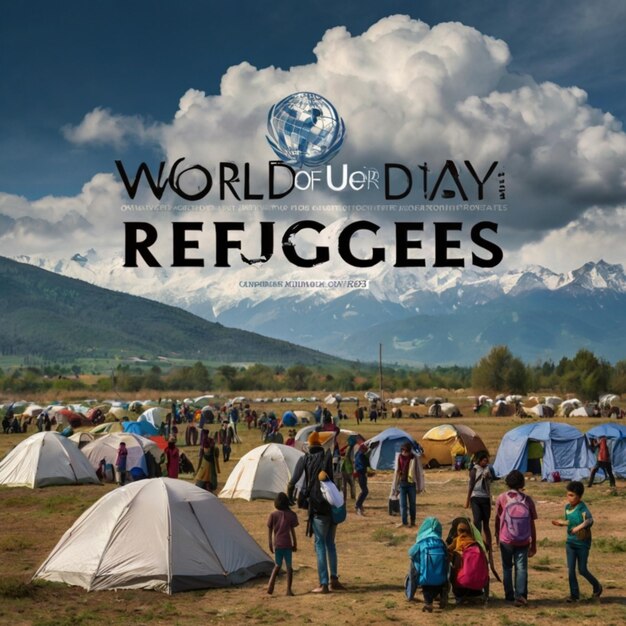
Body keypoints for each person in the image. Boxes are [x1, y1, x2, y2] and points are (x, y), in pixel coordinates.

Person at [288, 431, 345, 594]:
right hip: (332, 506)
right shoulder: (327, 457)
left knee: (319, 545)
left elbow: (293, 482)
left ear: (309, 445)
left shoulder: (305, 458)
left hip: (317, 508)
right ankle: (334, 579)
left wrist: (291, 496)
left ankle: (324, 583)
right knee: (330, 545)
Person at [551, 481, 602, 602]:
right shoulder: (567, 508)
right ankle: (574, 595)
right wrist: (561, 523)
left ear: (579, 496)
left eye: (572, 495)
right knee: (571, 570)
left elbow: (589, 520)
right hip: (571, 543)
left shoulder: (582, 507)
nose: (569, 497)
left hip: (582, 543)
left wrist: (577, 528)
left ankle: (597, 586)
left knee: (582, 569)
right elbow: (570, 522)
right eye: (568, 494)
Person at [494, 470, 538, 606]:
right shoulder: (527, 500)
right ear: (522, 483)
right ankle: (521, 595)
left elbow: (497, 518)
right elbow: (532, 523)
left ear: (507, 483)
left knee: (507, 568)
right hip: (523, 539)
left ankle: (509, 596)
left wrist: (497, 535)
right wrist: (534, 543)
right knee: (521, 568)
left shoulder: (501, 498)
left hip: (506, 538)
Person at [408, 517, 449, 612]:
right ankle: (441, 595)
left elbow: (411, 553)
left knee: (426, 589)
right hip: (441, 578)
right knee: (439, 585)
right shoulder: (441, 543)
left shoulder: (422, 542)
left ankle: (428, 604)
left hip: (425, 578)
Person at [267, 492, 299, 596]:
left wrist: (270, 543)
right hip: (287, 544)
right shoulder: (290, 515)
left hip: (277, 544)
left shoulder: (273, 515)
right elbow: (292, 530)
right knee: (289, 567)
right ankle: (288, 590)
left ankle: (270, 584)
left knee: (277, 565)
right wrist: (295, 543)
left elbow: (270, 529)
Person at [465, 451, 497, 548]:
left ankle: (489, 544)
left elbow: (493, 479)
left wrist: (489, 477)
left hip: (486, 498)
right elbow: (471, 485)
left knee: (486, 523)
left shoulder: (489, 469)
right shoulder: (474, 470)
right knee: (477, 520)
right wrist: (467, 500)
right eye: (484, 460)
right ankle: (477, 541)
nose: (485, 462)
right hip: (475, 498)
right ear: (479, 460)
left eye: (487, 461)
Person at [391, 441, 425, 528]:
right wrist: (395, 487)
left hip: (411, 484)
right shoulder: (399, 457)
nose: (404, 452)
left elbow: (418, 472)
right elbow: (397, 472)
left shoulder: (414, 458)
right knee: (403, 504)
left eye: (406, 451)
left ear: (409, 451)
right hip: (402, 484)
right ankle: (404, 522)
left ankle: (413, 522)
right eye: (403, 450)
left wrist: (420, 486)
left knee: (412, 504)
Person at [354, 443, 371, 516]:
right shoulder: (360, 455)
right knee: (365, 491)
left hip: (361, 474)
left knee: (364, 490)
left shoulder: (359, 454)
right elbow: (362, 465)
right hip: (361, 474)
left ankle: (359, 505)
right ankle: (358, 505)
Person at [340, 435, 357, 502]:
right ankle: (353, 496)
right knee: (352, 484)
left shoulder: (349, 448)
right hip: (349, 468)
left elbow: (343, 453)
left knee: (344, 485)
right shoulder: (353, 448)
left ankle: (344, 498)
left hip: (345, 468)